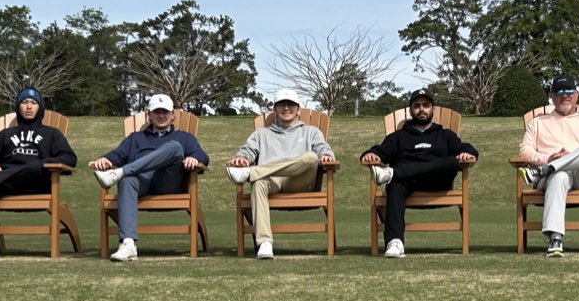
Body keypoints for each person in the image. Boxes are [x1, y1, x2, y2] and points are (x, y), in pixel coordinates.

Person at [0, 87, 77, 261]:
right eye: (24, 102)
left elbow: (70, 158)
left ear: (39, 107)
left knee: (36, 165)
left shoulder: (52, 134)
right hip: (7, 185)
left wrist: (45, 163)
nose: (28, 107)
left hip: (37, 183)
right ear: (18, 107)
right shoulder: (5, 135)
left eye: (33, 103)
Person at [89, 94, 210, 262]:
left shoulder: (184, 138)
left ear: (173, 115)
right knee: (127, 180)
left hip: (169, 183)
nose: (161, 116)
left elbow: (203, 156)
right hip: (142, 184)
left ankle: (121, 172)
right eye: (157, 112)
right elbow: (117, 155)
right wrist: (106, 160)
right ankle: (128, 244)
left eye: (165, 112)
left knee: (175, 148)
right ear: (149, 115)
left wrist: (194, 158)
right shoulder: (135, 138)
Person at [363, 89, 479, 258]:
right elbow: (379, 151)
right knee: (395, 185)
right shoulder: (398, 137)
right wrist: (371, 155)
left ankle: (392, 172)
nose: (421, 109)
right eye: (417, 106)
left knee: (452, 162)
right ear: (411, 110)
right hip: (409, 184)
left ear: (433, 109)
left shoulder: (445, 135)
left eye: (426, 105)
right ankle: (395, 242)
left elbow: (469, 149)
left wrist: (467, 154)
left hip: (438, 183)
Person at [225, 89, 336, 259]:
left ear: (298, 109)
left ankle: (252, 173)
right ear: (275, 109)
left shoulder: (311, 132)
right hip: (272, 182)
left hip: (299, 180)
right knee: (259, 183)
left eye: (290, 104)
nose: (286, 108)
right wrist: (242, 158)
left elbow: (323, 149)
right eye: (281, 104)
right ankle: (264, 243)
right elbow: (247, 151)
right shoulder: (261, 134)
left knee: (311, 157)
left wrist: (326, 156)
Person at [517, 76, 579, 257]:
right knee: (559, 176)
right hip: (553, 179)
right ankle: (555, 239)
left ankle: (549, 168)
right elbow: (524, 153)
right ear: (551, 96)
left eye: (569, 91)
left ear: (577, 95)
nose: (564, 95)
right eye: (559, 91)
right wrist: (549, 157)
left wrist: (570, 157)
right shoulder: (537, 122)